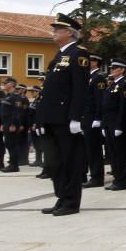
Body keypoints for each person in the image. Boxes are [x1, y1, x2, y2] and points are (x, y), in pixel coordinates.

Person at [36, 13, 90, 216]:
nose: (53, 32)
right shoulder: (58, 56)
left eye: (57, 29)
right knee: (53, 163)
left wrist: (76, 117)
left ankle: (71, 202)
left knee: (70, 162)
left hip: (65, 118)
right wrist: (40, 118)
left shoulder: (79, 53)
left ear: (69, 33)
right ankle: (61, 196)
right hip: (51, 117)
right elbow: (47, 91)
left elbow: (79, 89)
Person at [102, 60, 126, 191]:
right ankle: (116, 178)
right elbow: (105, 107)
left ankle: (121, 181)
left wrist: (119, 125)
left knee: (120, 154)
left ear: (122, 70)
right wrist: (103, 125)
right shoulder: (112, 85)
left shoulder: (124, 85)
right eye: (111, 68)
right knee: (112, 153)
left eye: (115, 68)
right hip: (108, 123)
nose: (112, 70)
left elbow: (122, 108)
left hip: (117, 124)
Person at [83, 55, 107, 188]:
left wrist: (98, 118)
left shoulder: (98, 77)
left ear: (96, 62)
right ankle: (90, 175)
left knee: (94, 149)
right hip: (86, 118)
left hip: (93, 118)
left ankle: (97, 177)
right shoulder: (88, 77)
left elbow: (100, 100)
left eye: (90, 60)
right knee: (87, 149)